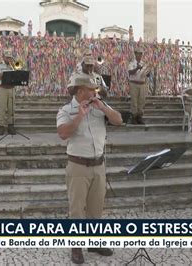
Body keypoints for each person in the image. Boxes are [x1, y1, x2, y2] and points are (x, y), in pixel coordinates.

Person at [56, 74, 122, 264]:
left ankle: (94, 242)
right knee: (76, 210)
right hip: (78, 166)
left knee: (96, 208)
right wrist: (79, 117)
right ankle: (76, 247)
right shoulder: (66, 110)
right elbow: (63, 134)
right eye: (91, 89)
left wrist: (104, 108)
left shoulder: (99, 105)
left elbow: (118, 120)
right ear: (80, 91)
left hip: (98, 165)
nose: (95, 91)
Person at [0, 49, 16, 136]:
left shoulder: (13, 66)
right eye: (7, 57)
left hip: (11, 88)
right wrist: (7, 73)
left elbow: (18, 75)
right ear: (3, 57)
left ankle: (11, 126)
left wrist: (13, 67)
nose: (8, 59)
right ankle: (1, 126)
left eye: (10, 57)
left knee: (11, 108)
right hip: (3, 88)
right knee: (2, 108)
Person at [128, 47, 151, 124]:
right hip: (134, 83)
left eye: (141, 54)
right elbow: (130, 72)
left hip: (142, 84)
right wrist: (137, 68)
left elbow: (148, 75)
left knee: (141, 101)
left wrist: (148, 73)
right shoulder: (131, 63)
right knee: (134, 101)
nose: (139, 55)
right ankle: (134, 117)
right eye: (138, 54)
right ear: (135, 54)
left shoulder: (144, 64)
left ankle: (139, 117)